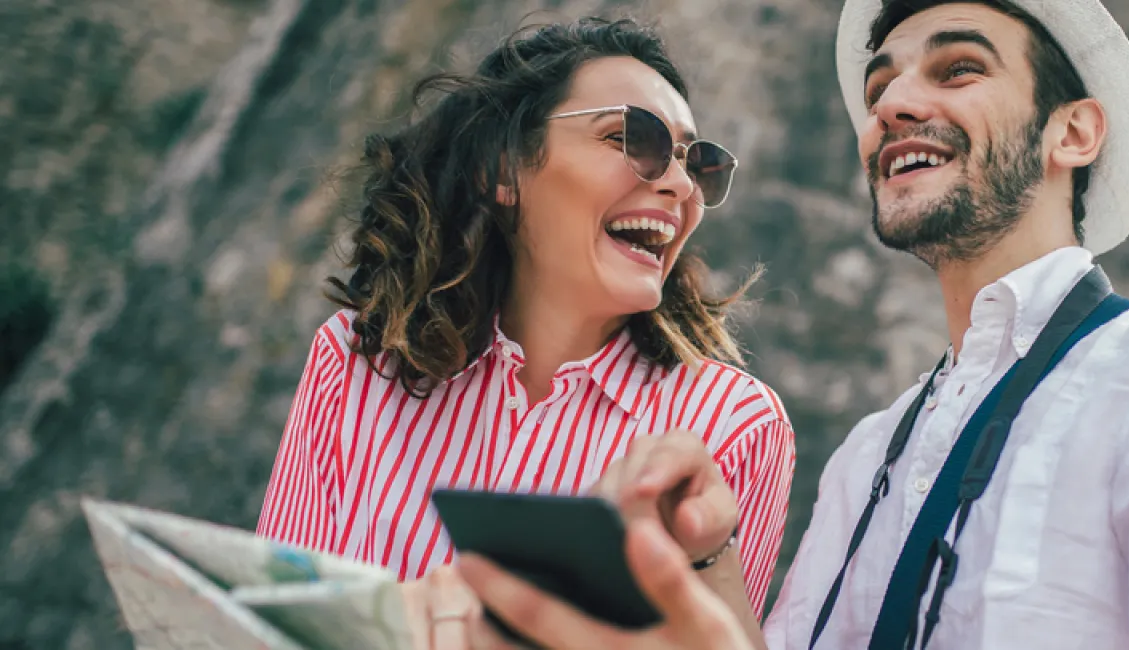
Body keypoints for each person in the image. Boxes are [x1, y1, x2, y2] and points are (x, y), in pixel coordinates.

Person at [446, 1, 1129, 649]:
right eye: (881, 84)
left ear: (1073, 132)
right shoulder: (867, 457)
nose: (891, 104)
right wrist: (711, 555)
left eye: (959, 68)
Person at [251, 17, 796, 650]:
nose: (679, 184)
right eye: (633, 138)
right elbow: (268, 626)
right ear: (504, 168)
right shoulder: (354, 360)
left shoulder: (736, 426)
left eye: (696, 163)